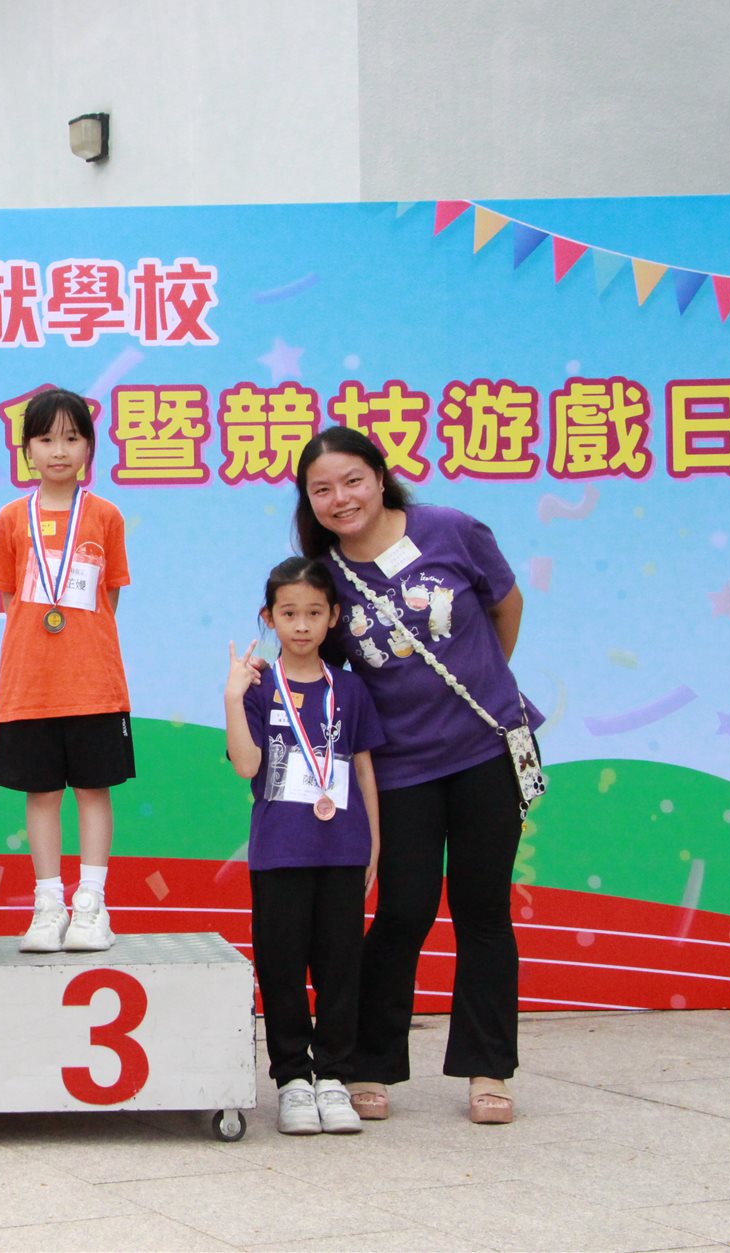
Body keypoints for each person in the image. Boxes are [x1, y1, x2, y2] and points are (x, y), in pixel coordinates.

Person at [292, 424, 539, 1125]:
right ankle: (368, 1062)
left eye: (352, 480)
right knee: (403, 910)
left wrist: (482, 682)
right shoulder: (325, 577)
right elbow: (322, 668)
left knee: (483, 909)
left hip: (488, 747)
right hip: (400, 768)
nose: (341, 498)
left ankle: (488, 1069)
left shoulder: (450, 529)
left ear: (380, 476)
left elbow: (506, 605)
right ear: (310, 502)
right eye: (322, 490)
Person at [225, 556, 383, 1135]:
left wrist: (374, 844)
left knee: (341, 968)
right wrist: (232, 696)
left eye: (314, 613)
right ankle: (293, 1079)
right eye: (289, 613)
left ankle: (334, 1077)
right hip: (279, 852)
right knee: (282, 966)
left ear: (333, 617)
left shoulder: (351, 688)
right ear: (268, 617)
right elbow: (247, 765)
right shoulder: (258, 687)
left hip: (343, 851)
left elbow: (363, 769)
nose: (301, 625)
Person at [0, 387, 134, 954]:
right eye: (46, 439)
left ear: (90, 447)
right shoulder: (10, 519)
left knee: (94, 791)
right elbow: (8, 599)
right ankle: (48, 905)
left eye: (72, 438)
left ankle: (91, 904)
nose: (60, 450)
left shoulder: (105, 515)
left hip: (93, 684)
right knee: (41, 794)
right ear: (27, 451)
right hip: (29, 686)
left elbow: (110, 596)